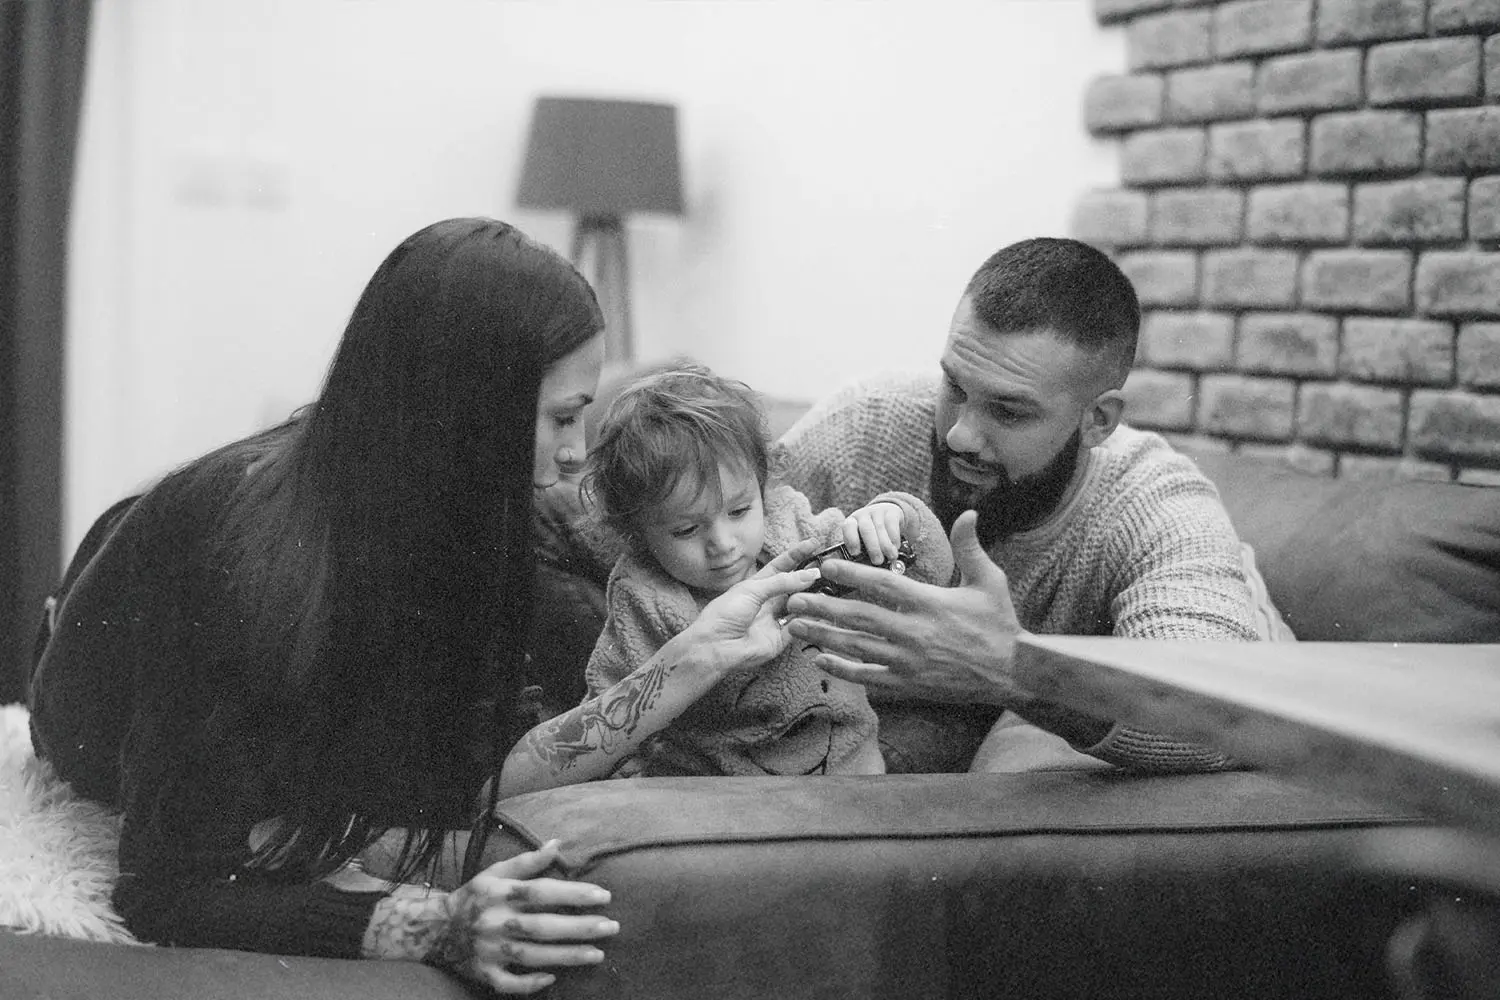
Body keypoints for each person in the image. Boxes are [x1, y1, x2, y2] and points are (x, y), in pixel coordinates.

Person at [27, 218, 822, 993]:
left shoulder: (480, 513)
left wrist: (691, 660)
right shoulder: (236, 552)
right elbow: (165, 889)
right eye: (563, 418)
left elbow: (477, 782)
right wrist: (434, 926)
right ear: (467, 410)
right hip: (93, 682)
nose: (578, 451)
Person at [778, 237, 1293, 775]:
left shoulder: (1154, 502)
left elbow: (1222, 716)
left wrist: (1013, 670)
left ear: (1098, 421)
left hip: (1113, 720)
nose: (958, 435)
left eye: (1008, 412)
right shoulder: (865, 426)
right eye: (954, 386)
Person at [499, 362, 954, 791]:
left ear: (763, 488)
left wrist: (897, 515)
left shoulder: (796, 530)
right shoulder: (641, 594)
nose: (722, 542)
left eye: (739, 510)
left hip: (857, 778)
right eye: (685, 529)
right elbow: (613, 713)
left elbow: (930, 574)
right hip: (727, 806)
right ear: (636, 533)